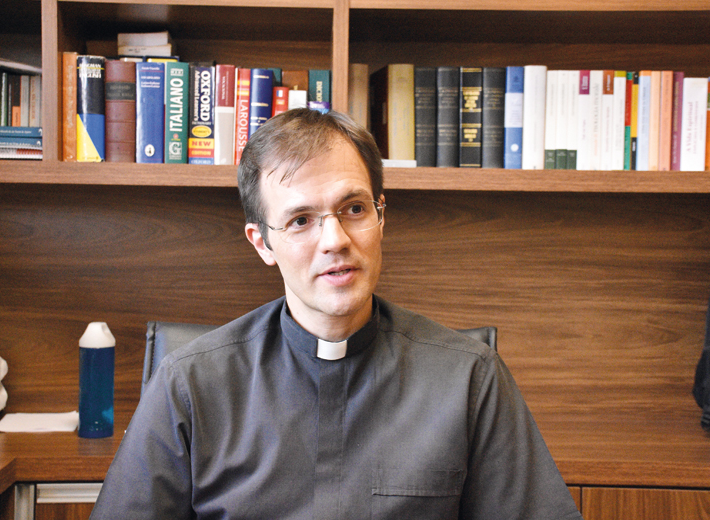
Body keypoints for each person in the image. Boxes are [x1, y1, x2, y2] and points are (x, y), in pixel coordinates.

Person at [90, 108, 583, 520]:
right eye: (301, 220)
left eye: (354, 209)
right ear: (262, 243)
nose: (335, 241)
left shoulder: (471, 379)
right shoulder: (188, 385)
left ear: (381, 216)